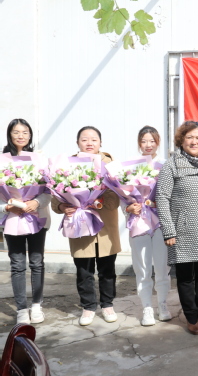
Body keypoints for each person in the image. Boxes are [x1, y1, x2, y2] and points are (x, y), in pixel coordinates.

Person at [156, 121, 198, 335]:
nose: (194, 141)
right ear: (181, 140)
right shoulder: (172, 164)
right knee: (186, 276)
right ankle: (191, 316)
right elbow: (162, 197)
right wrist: (169, 230)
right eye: (189, 137)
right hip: (183, 230)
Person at [51, 126, 121, 326]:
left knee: (107, 268)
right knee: (84, 270)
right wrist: (63, 206)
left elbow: (116, 197)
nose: (89, 143)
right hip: (79, 224)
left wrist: (97, 201)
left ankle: (107, 304)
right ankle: (88, 306)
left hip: (105, 226)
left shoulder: (110, 164)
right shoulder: (67, 165)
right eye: (84, 139)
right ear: (77, 143)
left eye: (94, 139)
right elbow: (56, 195)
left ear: (100, 143)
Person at [1, 119, 51, 325]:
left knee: (37, 262)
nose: (21, 136)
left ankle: (37, 305)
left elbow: (48, 190)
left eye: (25, 132)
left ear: (30, 135)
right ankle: (22, 309)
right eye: (16, 132)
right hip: (12, 219)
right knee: (17, 264)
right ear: (9, 135)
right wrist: (7, 207)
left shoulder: (39, 160)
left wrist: (35, 202)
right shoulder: (2, 161)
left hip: (36, 216)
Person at [123, 126, 171, 326]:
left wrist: (159, 203)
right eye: (144, 141)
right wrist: (128, 208)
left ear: (158, 142)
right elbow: (122, 197)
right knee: (142, 268)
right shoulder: (129, 167)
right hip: (139, 223)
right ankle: (147, 308)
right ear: (139, 143)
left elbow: (171, 195)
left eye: (152, 141)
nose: (148, 145)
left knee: (162, 267)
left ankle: (162, 304)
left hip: (160, 223)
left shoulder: (165, 165)